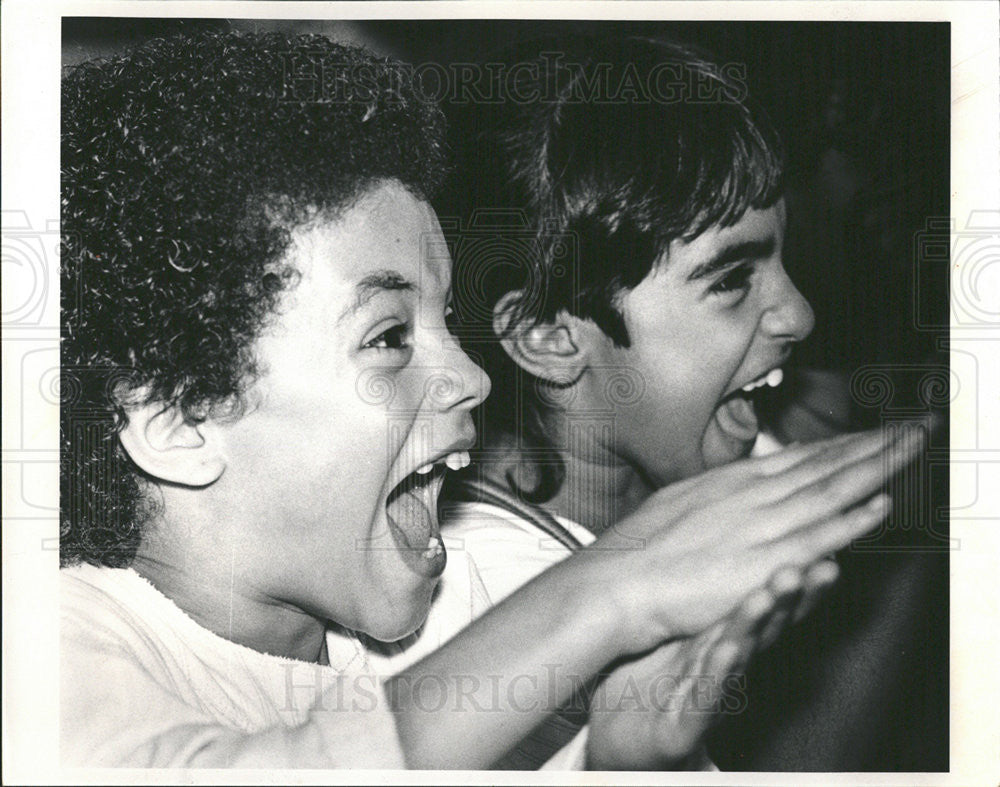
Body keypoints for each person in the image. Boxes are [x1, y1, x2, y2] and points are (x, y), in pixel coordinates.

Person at [60, 30, 917, 769]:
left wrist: (628, 761)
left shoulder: (448, 610)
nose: (471, 374)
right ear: (176, 423)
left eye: (447, 322)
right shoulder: (51, 644)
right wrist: (608, 588)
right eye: (391, 335)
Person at [330, 35, 913, 769]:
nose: (799, 314)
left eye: (781, 259)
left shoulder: (712, 438)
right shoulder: (467, 609)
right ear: (547, 337)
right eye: (732, 280)